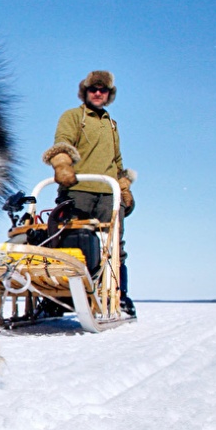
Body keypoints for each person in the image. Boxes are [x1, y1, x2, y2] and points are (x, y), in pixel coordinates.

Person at [42, 70, 136, 315]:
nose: (97, 93)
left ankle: (119, 296)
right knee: (68, 243)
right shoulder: (74, 116)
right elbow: (62, 143)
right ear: (85, 92)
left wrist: (124, 187)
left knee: (115, 246)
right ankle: (57, 298)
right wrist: (62, 165)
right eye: (93, 89)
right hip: (78, 190)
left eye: (102, 90)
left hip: (108, 193)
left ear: (108, 95)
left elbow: (117, 160)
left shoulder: (112, 124)